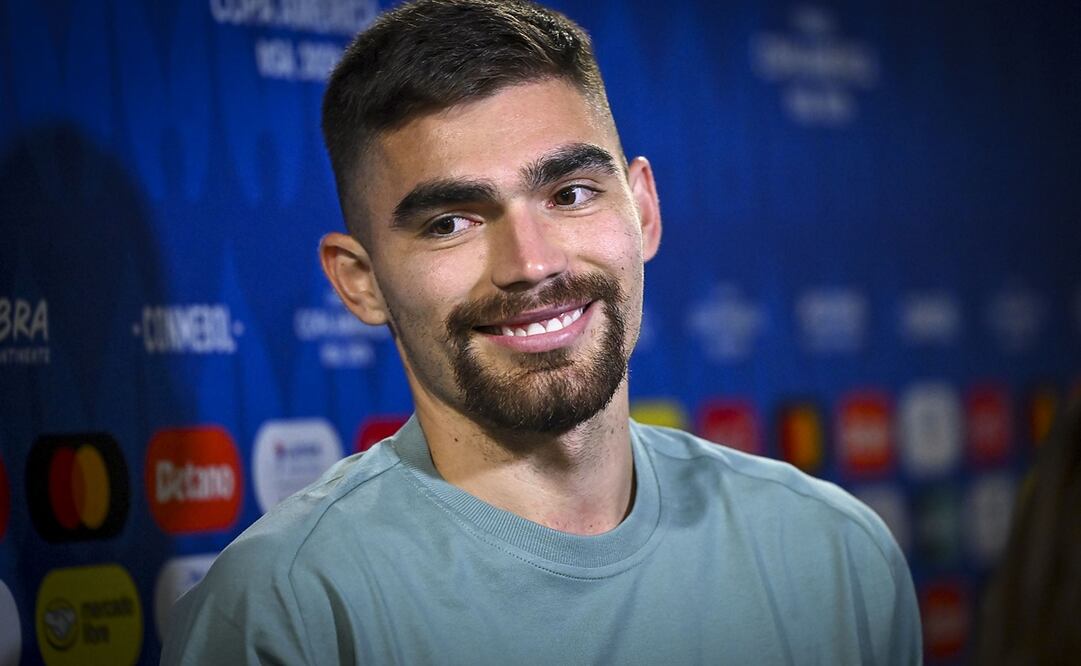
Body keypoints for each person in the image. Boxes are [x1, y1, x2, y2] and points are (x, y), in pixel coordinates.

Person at [162, 1, 921, 663]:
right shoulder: (285, 613)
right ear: (360, 281)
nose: (530, 264)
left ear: (643, 210)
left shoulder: (833, 556)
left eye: (571, 193)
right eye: (450, 222)